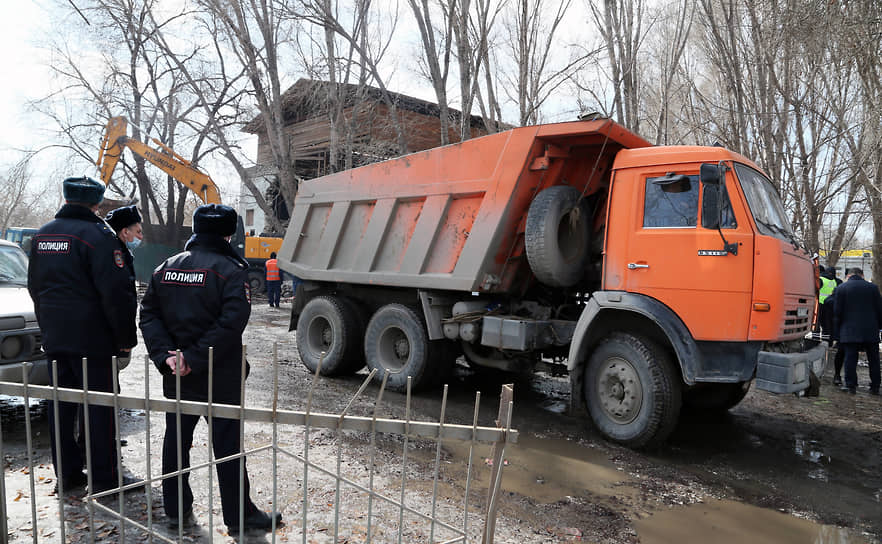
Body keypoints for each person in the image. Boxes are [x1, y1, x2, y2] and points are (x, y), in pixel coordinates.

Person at [139, 204, 282, 531]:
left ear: (195, 230)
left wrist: (169, 357)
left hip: (177, 374)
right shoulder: (231, 270)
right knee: (228, 447)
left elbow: (148, 316)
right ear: (228, 234)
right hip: (220, 376)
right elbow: (231, 323)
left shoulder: (166, 268)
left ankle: (175, 509)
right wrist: (195, 357)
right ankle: (239, 517)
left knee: (176, 441)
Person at [27, 177, 140, 493]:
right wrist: (124, 339)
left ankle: (68, 474)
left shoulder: (43, 235)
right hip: (93, 338)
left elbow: (35, 287)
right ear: (97, 203)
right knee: (99, 406)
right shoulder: (98, 236)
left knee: (61, 406)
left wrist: (48, 324)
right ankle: (104, 478)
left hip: (55, 336)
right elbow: (117, 294)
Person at [831, 267, 882, 395]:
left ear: (848, 276)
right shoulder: (873, 288)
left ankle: (851, 386)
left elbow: (837, 312)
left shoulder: (841, 288)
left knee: (850, 358)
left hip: (849, 330)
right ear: (862, 275)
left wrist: (837, 332)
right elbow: (879, 310)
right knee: (874, 359)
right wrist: (879, 327)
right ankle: (875, 386)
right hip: (871, 330)